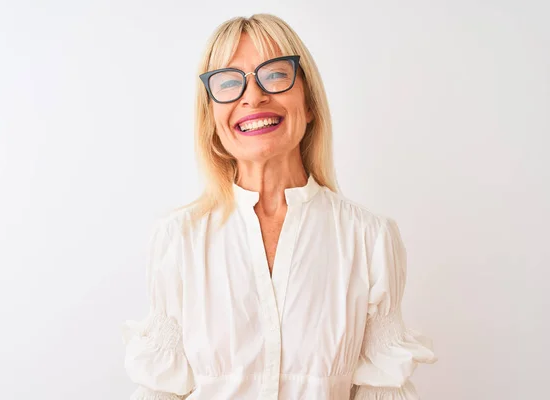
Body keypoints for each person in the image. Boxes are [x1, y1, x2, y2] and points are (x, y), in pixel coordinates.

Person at [122, 13, 436, 400]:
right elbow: (160, 390)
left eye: (274, 74)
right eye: (228, 83)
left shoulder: (368, 238)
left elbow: (381, 391)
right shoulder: (178, 239)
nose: (252, 97)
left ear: (309, 104)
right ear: (213, 123)